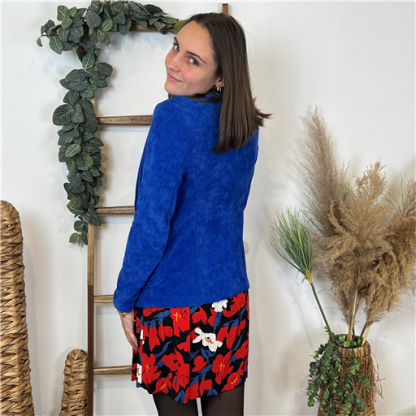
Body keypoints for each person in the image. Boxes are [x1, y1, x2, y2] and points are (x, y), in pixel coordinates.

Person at [113, 12, 271, 416]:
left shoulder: (174, 118)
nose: (173, 62)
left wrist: (124, 299)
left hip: (172, 307)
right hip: (229, 300)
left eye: (192, 60)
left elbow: (151, 226)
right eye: (176, 47)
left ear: (221, 77)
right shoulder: (244, 126)